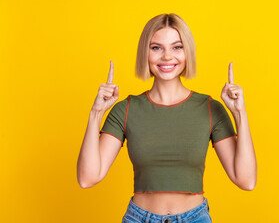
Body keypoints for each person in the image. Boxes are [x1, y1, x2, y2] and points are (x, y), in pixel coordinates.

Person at [77, 13, 257, 223]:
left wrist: (240, 114)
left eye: (177, 47)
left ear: (187, 52)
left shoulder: (209, 108)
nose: (167, 56)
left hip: (195, 218)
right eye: (156, 48)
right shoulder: (126, 109)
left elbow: (246, 180)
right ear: (145, 52)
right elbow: (87, 178)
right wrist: (96, 113)